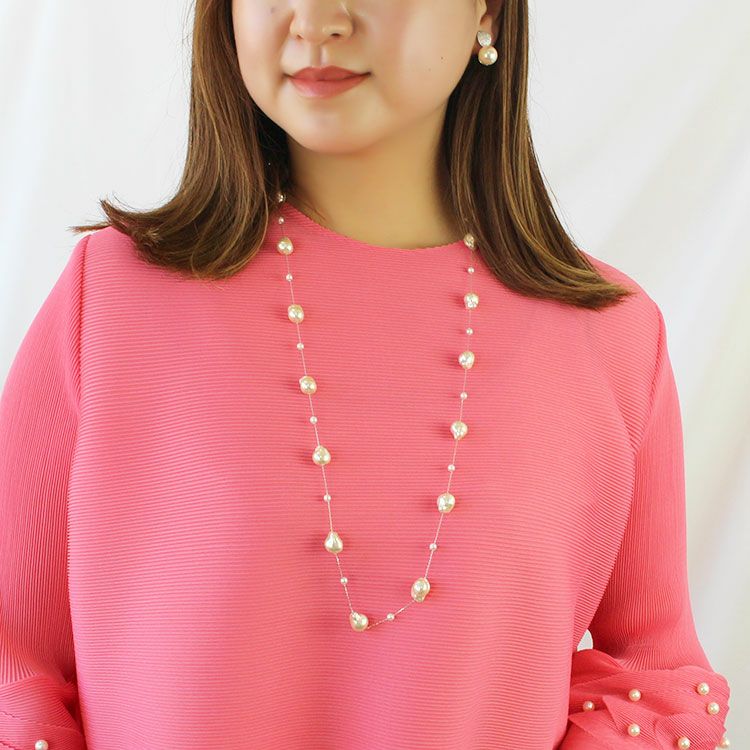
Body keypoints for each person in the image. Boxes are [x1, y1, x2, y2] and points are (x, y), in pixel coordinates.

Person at [0, 1, 733, 749]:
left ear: (486, 12)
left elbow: (657, 679)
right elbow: (12, 667)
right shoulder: (111, 301)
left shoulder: (610, 339)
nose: (316, 19)